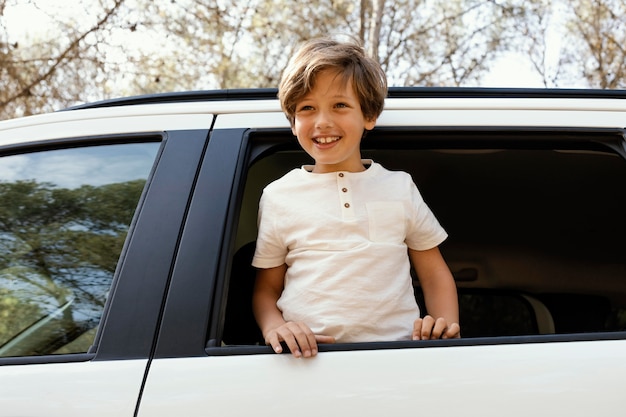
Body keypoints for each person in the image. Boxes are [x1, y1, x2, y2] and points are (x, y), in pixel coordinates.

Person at [252, 37, 460, 358]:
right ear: (293, 123)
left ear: (369, 116)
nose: (322, 121)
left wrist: (445, 333)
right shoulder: (278, 195)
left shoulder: (399, 186)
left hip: (400, 357)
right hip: (309, 362)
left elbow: (434, 275)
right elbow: (267, 289)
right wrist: (274, 327)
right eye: (307, 108)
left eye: (340, 105)